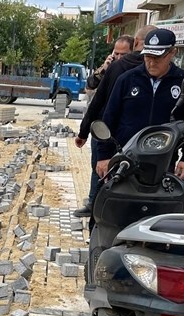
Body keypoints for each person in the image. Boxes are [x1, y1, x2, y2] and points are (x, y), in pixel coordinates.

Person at [73, 25, 156, 218]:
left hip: (118, 132)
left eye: (122, 53)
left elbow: (99, 102)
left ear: (135, 45)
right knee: (100, 168)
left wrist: (84, 132)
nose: (119, 58)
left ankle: (103, 209)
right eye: (115, 54)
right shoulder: (115, 67)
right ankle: (96, 204)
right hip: (106, 128)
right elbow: (93, 89)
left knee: (110, 171)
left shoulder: (134, 70)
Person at [98, 28, 184, 180]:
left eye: (157, 57)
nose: (151, 62)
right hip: (125, 159)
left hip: (164, 161)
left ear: (172, 53)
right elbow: (109, 118)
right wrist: (103, 155)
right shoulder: (127, 79)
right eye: (148, 56)